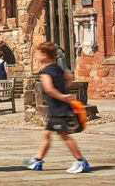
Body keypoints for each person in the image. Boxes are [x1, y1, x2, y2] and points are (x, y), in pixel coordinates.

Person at [24, 42, 89, 174]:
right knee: (46, 134)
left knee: (64, 136)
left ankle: (80, 161)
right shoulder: (58, 69)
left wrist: (62, 96)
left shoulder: (45, 72)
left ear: (44, 55)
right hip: (57, 109)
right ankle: (37, 160)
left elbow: (48, 89)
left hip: (58, 109)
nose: (36, 56)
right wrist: (64, 88)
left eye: (37, 53)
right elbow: (69, 76)